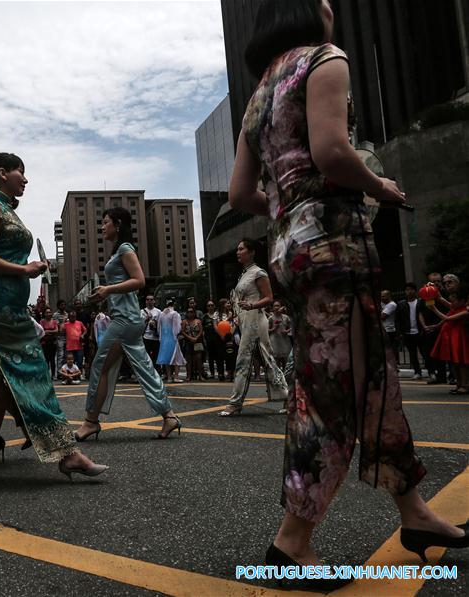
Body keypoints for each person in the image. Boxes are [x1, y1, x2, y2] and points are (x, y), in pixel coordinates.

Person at [230, 0, 466, 583]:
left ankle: (415, 513)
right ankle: (291, 543)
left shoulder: (260, 92)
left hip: (293, 252)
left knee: (372, 377)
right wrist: (378, 186)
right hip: (335, 244)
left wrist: (286, 209)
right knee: (334, 388)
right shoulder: (323, 59)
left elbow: (240, 196)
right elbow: (334, 153)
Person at [0, 152, 106, 485]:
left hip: (11, 312)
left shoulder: (5, 210)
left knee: (20, 380)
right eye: (21, 171)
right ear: (3, 173)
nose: (25, 178)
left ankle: (66, 453)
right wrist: (25, 269)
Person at [74, 208, 181, 442]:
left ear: (118, 224)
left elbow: (140, 281)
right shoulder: (118, 251)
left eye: (105, 222)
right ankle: (169, 415)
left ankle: (90, 422)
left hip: (125, 320)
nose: (102, 227)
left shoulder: (125, 248)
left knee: (99, 366)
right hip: (127, 319)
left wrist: (108, 289)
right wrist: (104, 295)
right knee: (143, 367)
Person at [218, 240, 287, 415]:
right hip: (246, 321)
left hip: (256, 321)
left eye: (241, 249)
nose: (237, 252)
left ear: (252, 252)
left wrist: (252, 305)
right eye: (237, 249)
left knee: (243, 360)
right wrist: (234, 312)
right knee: (268, 360)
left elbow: (269, 298)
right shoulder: (244, 273)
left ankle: (235, 403)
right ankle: (289, 398)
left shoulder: (258, 272)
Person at [428, 287, 469, 394]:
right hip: (451, 337)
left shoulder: (465, 311)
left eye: (454, 300)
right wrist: (433, 291)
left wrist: (434, 309)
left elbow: (447, 319)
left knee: (461, 363)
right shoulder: (454, 307)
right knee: (453, 362)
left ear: (463, 301)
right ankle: (459, 384)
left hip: (458, 337)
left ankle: (465, 385)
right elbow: (441, 299)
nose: (451, 302)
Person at [419, 273, 448, 385]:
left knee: (442, 353)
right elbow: (420, 312)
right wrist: (424, 326)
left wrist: (438, 325)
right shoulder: (425, 294)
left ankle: (445, 376)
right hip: (428, 329)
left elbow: (449, 312)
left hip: (442, 328)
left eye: (438, 281)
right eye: (433, 282)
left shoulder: (444, 295)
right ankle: (433, 375)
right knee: (428, 353)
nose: (436, 284)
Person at [396, 283, 423, 380]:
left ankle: (432, 371)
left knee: (425, 353)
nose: (409, 291)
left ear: (415, 291)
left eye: (411, 289)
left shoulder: (420, 302)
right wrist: (399, 333)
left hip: (420, 332)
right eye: (407, 289)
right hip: (407, 333)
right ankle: (417, 372)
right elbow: (397, 320)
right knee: (412, 354)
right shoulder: (401, 304)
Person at [156, 298, 185, 383]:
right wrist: (176, 335)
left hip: (164, 339)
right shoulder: (175, 314)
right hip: (172, 338)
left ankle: (169, 377)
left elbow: (159, 327)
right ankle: (176, 376)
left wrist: (161, 337)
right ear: (174, 304)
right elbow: (177, 328)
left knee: (166, 358)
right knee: (177, 357)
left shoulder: (161, 314)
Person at [267, 300, 294, 371]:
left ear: (281, 307)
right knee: (276, 360)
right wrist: (274, 328)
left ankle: (286, 376)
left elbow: (292, 327)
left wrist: (287, 331)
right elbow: (267, 330)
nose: (276, 307)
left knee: (286, 359)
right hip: (274, 340)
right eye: (274, 306)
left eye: (278, 305)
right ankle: (278, 376)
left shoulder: (286, 317)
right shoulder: (271, 318)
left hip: (284, 340)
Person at [202, 300, 224, 381]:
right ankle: (212, 373)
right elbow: (202, 329)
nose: (210, 307)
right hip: (209, 339)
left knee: (219, 356)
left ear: (214, 306)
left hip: (218, 339)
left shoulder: (218, 315)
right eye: (209, 305)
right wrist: (204, 339)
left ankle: (220, 372)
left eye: (212, 305)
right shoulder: (204, 317)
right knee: (210, 357)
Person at [180, 308, 204, 382]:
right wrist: (190, 338)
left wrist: (196, 338)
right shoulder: (184, 321)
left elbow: (201, 330)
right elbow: (182, 331)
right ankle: (188, 375)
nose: (190, 313)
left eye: (192, 312)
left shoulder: (198, 321)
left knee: (199, 359)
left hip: (197, 342)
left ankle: (200, 375)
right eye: (189, 312)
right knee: (189, 360)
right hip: (188, 342)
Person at [141, 295, 161, 372]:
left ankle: (157, 371)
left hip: (155, 336)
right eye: (148, 299)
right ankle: (147, 371)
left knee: (156, 355)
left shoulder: (158, 312)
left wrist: (155, 325)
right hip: (146, 336)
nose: (150, 301)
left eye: (151, 299)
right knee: (146, 355)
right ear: (146, 301)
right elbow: (139, 324)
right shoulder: (142, 312)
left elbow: (160, 324)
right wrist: (146, 320)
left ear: (154, 301)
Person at [39, 308, 59, 379]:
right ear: (44, 314)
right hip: (45, 343)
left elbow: (56, 330)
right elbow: (41, 331)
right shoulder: (42, 321)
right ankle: (47, 375)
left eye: (49, 312)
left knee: (52, 359)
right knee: (46, 360)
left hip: (53, 343)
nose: (48, 314)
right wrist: (50, 332)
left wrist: (47, 331)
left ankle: (53, 375)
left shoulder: (54, 321)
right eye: (47, 312)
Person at [53, 299, 69, 371]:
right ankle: (59, 371)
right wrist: (63, 321)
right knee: (60, 355)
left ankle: (65, 370)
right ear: (58, 306)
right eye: (62, 305)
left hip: (67, 336)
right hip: (59, 337)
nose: (63, 306)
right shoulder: (55, 315)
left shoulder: (66, 314)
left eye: (64, 305)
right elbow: (57, 326)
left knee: (66, 355)